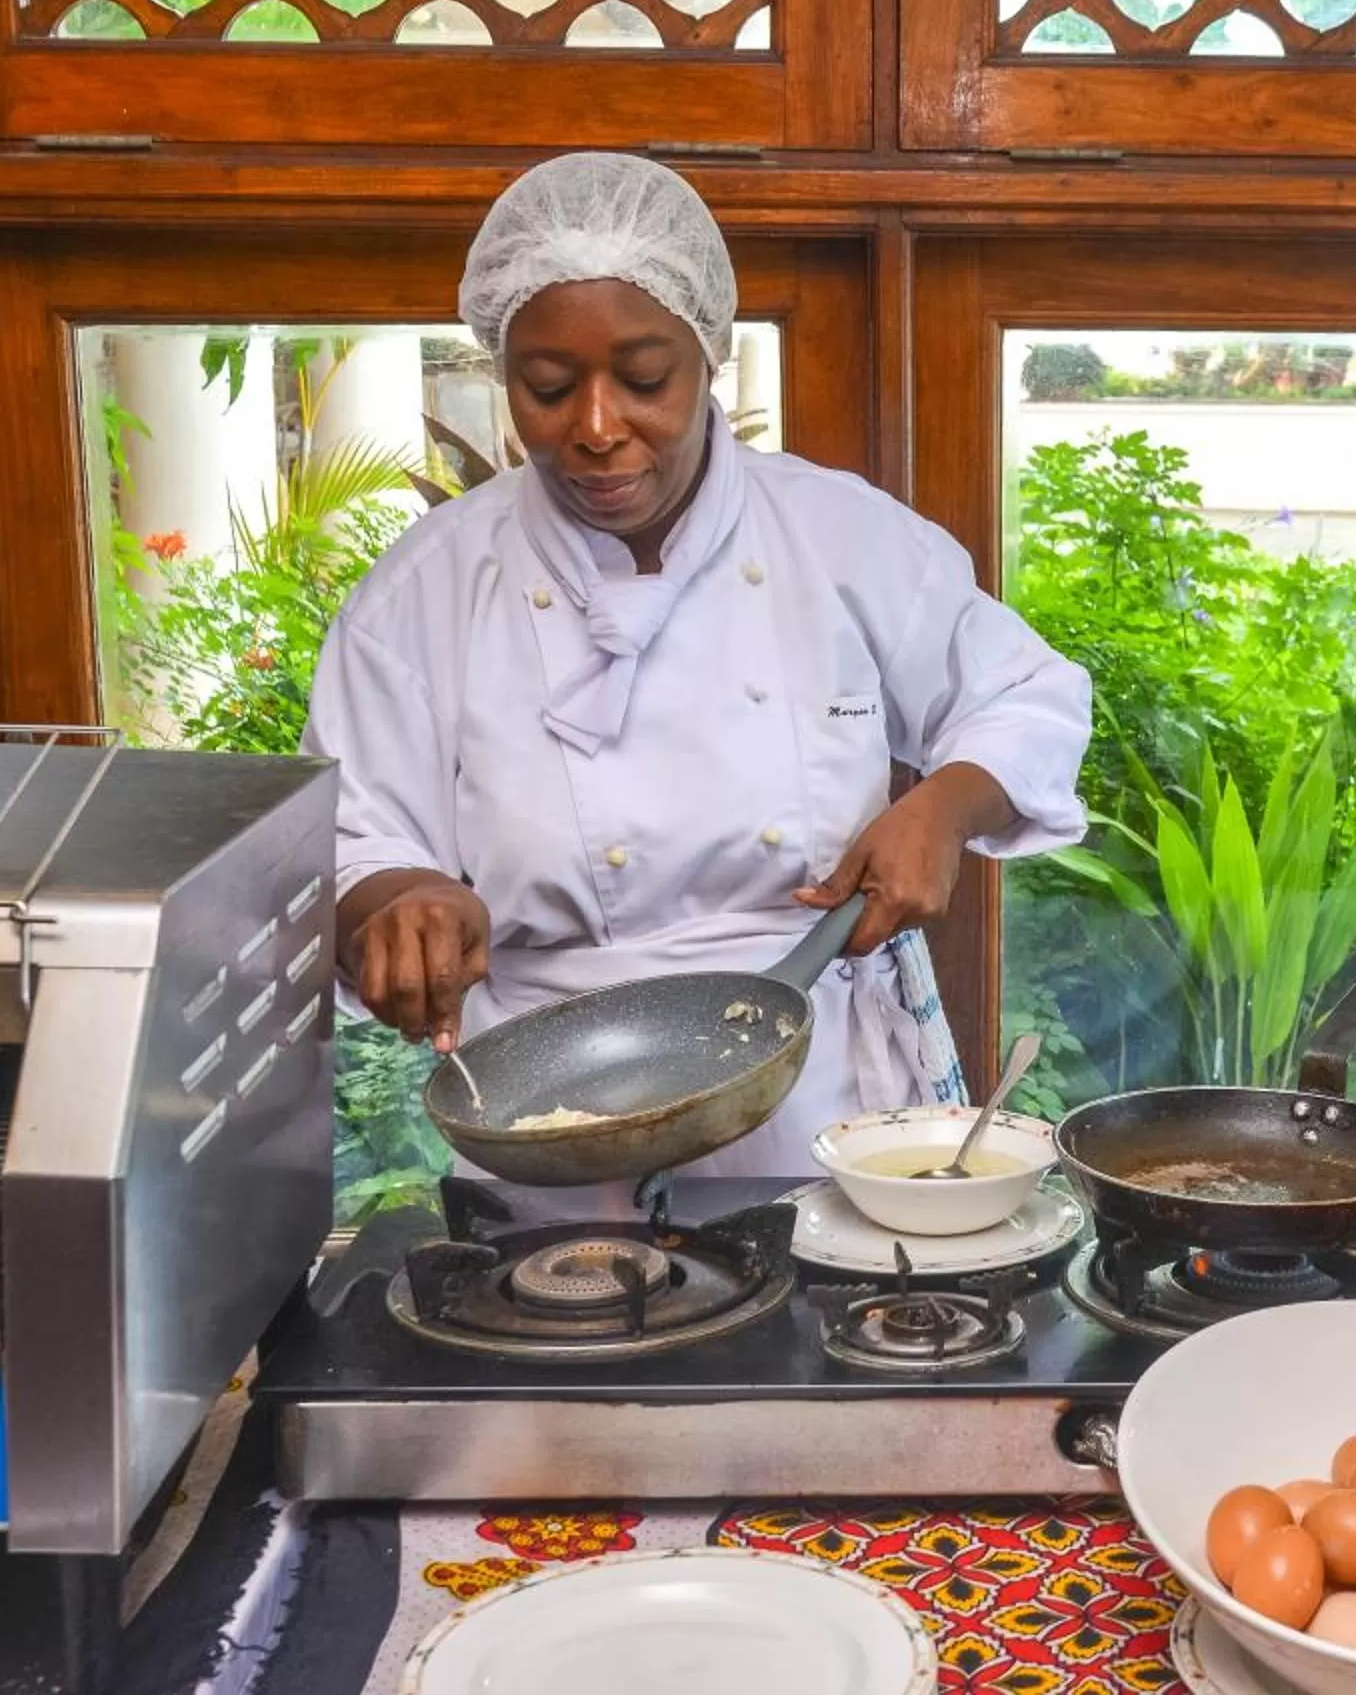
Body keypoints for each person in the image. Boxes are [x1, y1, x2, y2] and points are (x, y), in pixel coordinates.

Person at [303, 154, 1090, 1210]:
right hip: (548, 1120)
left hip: (822, 1109)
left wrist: (943, 808)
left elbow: (1026, 694)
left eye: (643, 377)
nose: (593, 425)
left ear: (709, 352)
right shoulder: (426, 591)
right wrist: (400, 900)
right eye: (546, 386)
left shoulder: (834, 533)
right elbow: (356, 832)